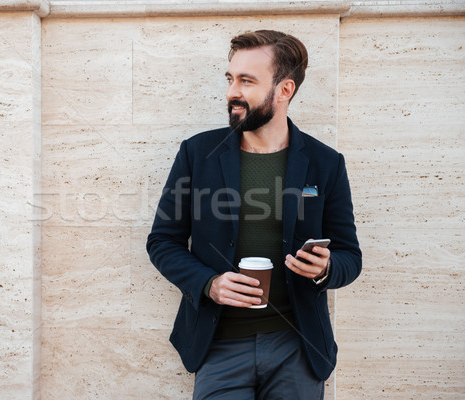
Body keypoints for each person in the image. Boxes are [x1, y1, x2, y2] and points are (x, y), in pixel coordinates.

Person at [146, 29, 361, 399]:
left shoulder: (326, 164)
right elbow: (163, 242)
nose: (232, 91)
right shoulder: (197, 154)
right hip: (218, 344)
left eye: (247, 80)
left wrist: (325, 268)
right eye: (230, 79)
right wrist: (208, 283)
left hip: (298, 347)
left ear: (285, 89)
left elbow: (350, 257)